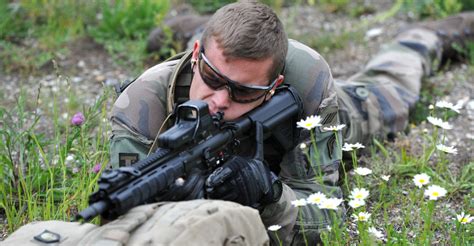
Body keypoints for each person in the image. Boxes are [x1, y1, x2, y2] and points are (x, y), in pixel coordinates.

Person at [3, 2, 473, 245]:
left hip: (339, 111)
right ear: (197, 57)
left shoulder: (308, 82)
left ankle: (425, 36)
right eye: (210, 78)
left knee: (393, 90)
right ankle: (187, 27)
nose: (219, 102)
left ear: (274, 86)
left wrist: (270, 197)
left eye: (244, 93)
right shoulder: (141, 105)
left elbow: (327, 217)